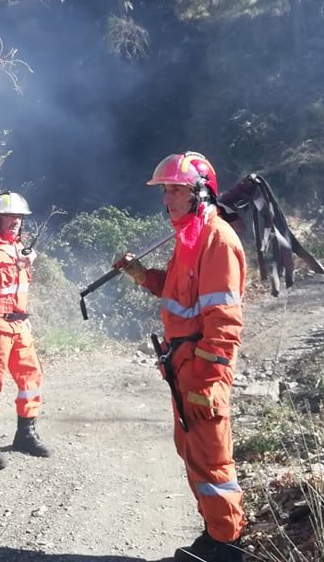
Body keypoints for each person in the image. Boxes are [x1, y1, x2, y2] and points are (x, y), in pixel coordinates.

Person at [117, 152, 246, 562]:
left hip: (203, 371)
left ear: (200, 193)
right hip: (183, 366)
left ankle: (227, 546)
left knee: (212, 457)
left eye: (176, 190)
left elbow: (224, 320)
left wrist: (207, 380)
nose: (167, 199)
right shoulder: (189, 237)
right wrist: (142, 275)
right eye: (166, 191)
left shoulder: (217, 240)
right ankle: (213, 534)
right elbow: (176, 290)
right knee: (192, 453)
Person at [0, 191, 51, 470]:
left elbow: (20, 289)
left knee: (31, 376)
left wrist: (24, 316)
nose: (16, 221)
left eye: (19, 216)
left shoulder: (18, 246)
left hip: (19, 323)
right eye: (10, 216)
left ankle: (25, 434)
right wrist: (17, 266)